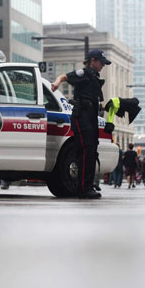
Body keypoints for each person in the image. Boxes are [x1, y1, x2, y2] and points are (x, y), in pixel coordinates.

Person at [51, 49, 111, 199]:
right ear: (93, 61)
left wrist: (109, 106)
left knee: (91, 152)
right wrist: (56, 83)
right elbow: (64, 76)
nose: (103, 65)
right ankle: (84, 189)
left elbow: (94, 102)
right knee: (86, 151)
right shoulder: (83, 73)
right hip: (81, 117)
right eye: (101, 62)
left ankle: (87, 186)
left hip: (91, 117)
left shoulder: (95, 78)